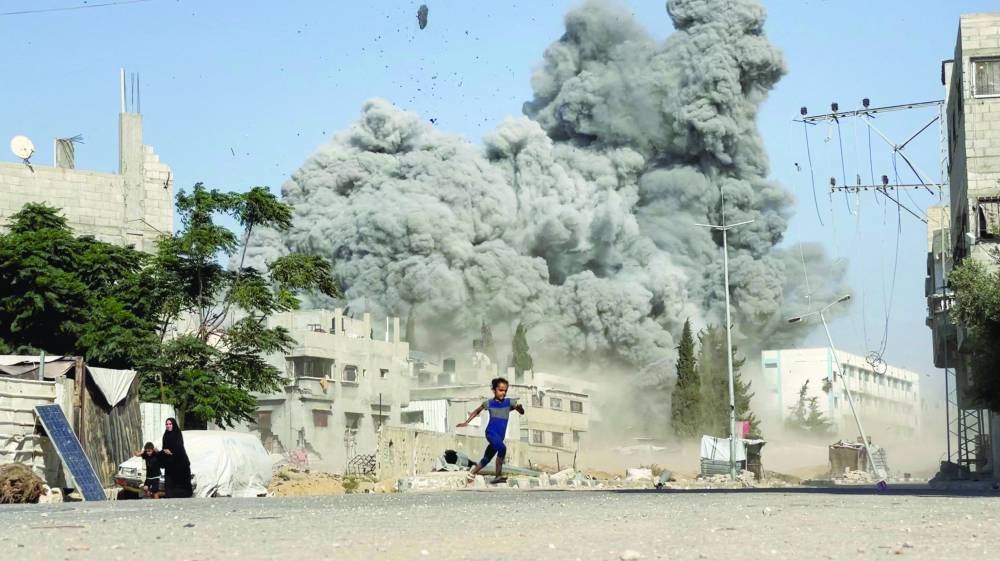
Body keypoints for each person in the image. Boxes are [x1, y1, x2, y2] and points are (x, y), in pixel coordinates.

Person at [457, 377, 524, 484]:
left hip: (499, 436)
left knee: (487, 458)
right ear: (494, 390)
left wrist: (519, 408)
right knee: (502, 448)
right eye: (501, 390)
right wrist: (466, 422)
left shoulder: (509, 402)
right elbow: (476, 411)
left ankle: (472, 474)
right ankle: (498, 476)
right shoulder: (489, 403)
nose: (503, 393)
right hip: (491, 433)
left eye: (505, 390)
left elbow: (521, 411)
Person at [161, 417, 193, 498]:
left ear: (173, 425)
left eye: (170, 424)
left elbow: (179, 448)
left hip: (180, 465)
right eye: (167, 424)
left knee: (180, 489)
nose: (168, 426)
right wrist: (164, 451)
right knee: (168, 489)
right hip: (169, 465)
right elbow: (164, 447)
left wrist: (171, 451)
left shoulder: (177, 434)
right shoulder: (165, 435)